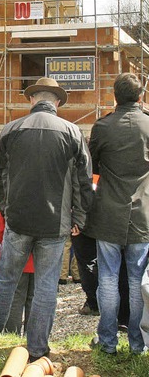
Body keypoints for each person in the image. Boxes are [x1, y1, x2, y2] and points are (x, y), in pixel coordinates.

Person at [0, 77, 93, 363]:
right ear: (58, 102)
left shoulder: (12, 129)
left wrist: (6, 206)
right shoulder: (72, 131)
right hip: (55, 223)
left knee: (6, 279)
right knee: (46, 286)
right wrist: (78, 216)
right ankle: (38, 346)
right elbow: (83, 180)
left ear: (31, 100)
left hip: (18, 219)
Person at [85, 72, 149, 355]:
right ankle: (138, 343)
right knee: (138, 281)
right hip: (143, 214)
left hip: (108, 212)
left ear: (115, 96)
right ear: (140, 96)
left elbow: (93, 167)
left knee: (108, 278)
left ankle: (108, 341)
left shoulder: (103, 126)